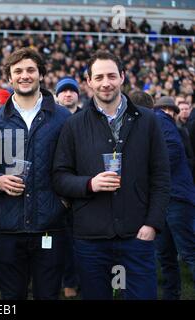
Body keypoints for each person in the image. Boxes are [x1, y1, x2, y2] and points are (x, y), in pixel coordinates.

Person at [53, 50, 171, 300]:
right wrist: (89, 183)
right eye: (99, 77)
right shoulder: (74, 125)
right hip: (91, 238)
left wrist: (152, 224)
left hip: (137, 235)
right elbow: (60, 177)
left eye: (111, 76)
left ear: (123, 77)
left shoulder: (147, 120)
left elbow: (161, 176)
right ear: (89, 81)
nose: (105, 82)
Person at [0, 47, 71, 300]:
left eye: (30, 70)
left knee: (47, 295)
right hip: (8, 226)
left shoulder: (63, 118)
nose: (24, 75)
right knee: (12, 296)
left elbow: (74, 165)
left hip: (50, 225)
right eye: (18, 71)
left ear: (41, 74)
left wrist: (62, 202)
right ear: (9, 78)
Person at [152, 96, 195, 300]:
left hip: (176, 198)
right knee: (165, 254)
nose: (169, 114)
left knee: (188, 251)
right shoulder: (161, 127)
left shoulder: (164, 123)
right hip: (163, 200)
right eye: (166, 110)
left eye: (172, 111)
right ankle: (171, 294)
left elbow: (177, 155)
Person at [55, 77, 81, 298]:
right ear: (56, 95)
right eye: (63, 91)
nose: (68, 94)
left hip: (84, 188)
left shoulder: (88, 117)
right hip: (58, 189)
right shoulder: (51, 119)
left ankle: (77, 281)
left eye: (72, 90)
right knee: (57, 241)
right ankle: (65, 282)